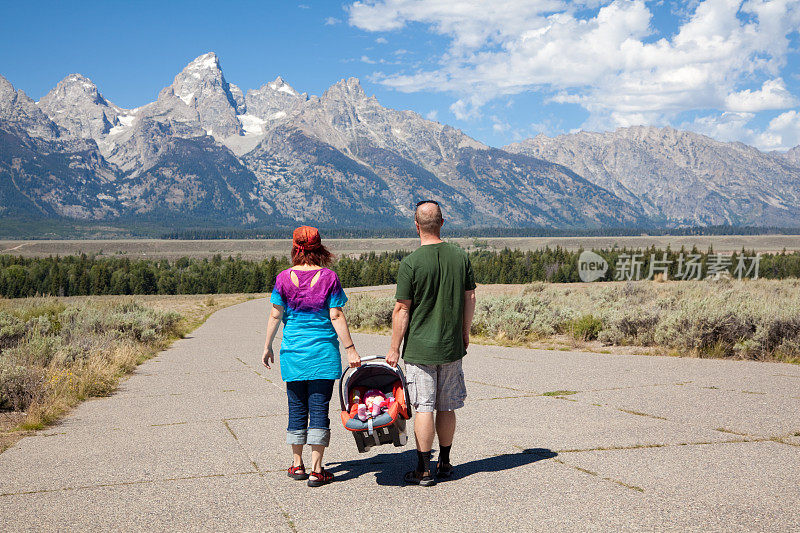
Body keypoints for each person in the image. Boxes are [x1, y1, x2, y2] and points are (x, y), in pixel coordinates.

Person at [385, 201, 477, 486]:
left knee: (424, 407)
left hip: (420, 349)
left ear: (416, 226)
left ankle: (424, 470)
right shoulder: (460, 257)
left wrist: (394, 348)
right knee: (446, 406)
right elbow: (469, 298)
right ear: (442, 223)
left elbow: (402, 309)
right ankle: (446, 463)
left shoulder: (411, 263)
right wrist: (464, 331)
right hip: (451, 346)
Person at [262, 226, 361, 487]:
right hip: (323, 355)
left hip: (293, 354)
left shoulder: (283, 278)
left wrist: (267, 345)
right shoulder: (329, 277)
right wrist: (350, 348)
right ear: (319, 249)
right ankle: (317, 470)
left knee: (296, 409)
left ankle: (297, 465)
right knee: (319, 410)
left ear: (295, 249)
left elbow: (275, 314)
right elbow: (336, 315)